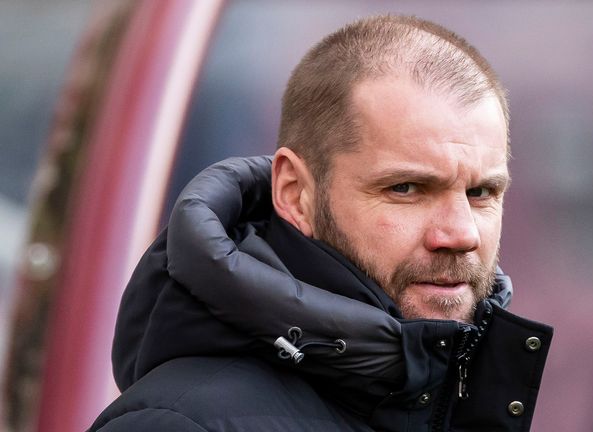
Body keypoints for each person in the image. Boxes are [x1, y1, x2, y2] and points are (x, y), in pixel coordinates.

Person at [89, 15, 552, 432]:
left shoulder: (459, 401)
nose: (461, 234)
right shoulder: (180, 424)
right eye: (406, 188)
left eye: (481, 193)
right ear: (296, 194)